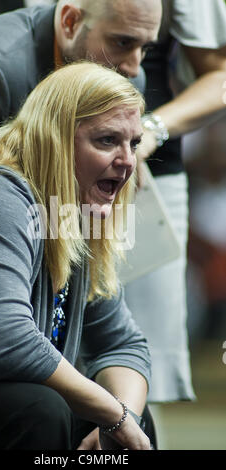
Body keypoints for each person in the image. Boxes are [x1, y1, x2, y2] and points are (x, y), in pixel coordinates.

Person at [0, 61, 153, 451]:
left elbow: (122, 345)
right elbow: (7, 346)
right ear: (54, 138)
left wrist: (125, 418)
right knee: (41, 408)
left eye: (134, 143)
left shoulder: (75, 209)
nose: (127, 162)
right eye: (107, 141)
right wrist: (115, 416)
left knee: (128, 416)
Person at [124, 0, 226, 406]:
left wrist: (151, 129)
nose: (131, 63)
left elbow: (219, 76)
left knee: (140, 360)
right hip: (34, 169)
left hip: (147, 166)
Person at [0, 0, 162, 160]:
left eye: (146, 48)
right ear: (70, 21)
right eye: (122, 43)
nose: (134, 68)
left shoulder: (123, 78)